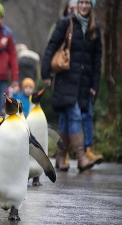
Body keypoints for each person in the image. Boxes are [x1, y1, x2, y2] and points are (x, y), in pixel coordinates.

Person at [41, 0, 102, 172]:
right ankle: (81, 157)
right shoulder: (66, 23)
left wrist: (94, 84)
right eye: (81, 2)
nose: (83, 6)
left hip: (83, 82)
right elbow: (52, 46)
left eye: (87, 3)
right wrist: (45, 73)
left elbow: (97, 59)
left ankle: (61, 157)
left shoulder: (94, 28)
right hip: (66, 79)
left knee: (68, 119)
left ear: (92, 6)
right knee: (75, 115)